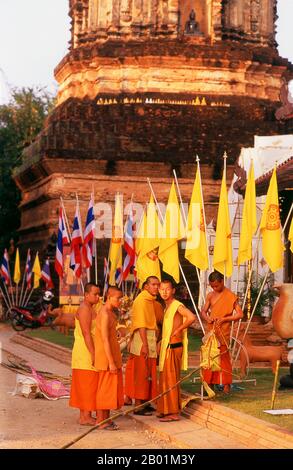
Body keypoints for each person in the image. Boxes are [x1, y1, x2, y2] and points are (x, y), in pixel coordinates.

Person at [156, 280, 195, 422]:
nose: (164, 292)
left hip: (174, 347)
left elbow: (191, 317)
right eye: (161, 289)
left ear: (173, 290)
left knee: (171, 380)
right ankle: (165, 409)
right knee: (165, 380)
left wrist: (179, 329)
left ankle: (173, 412)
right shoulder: (167, 307)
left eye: (167, 289)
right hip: (167, 346)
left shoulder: (177, 305)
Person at [200, 271, 243, 393]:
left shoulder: (230, 296)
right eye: (212, 286)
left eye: (216, 286)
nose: (214, 288)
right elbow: (203, 311)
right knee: (209, 358)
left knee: (223, 359)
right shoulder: (210, 295)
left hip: (223, 331)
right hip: (211, 331)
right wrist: (207, 317)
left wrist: (225, 318)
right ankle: (209, 384)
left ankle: (226, 385)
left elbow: (240, 314)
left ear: (222, 281)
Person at [124, 276, 160, 415]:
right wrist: (144, 345)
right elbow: (141, 325)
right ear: (146, 286)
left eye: (158, 284)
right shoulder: (141, 301)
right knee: (141, 373)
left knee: (148, 373)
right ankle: (138, 406)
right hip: (142, 340)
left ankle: (144, 402)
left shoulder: (150, 300)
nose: (156, 287)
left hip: (149, 339)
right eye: (153, 284)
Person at [69, 282, 100, 425]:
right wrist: (93, 354)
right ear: (86, 295)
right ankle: (85, 416)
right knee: (87, 383)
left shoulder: (91, 308)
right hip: (85, 351)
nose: (98, 297)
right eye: (95, 294)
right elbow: (87, 333)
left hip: (88, 349)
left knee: (89, 382)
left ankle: (85, 415)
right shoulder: (84, 309)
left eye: (99, 294)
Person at [95, 287, 124, 430]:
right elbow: (105, 339)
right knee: (104, 390)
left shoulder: (111, 313)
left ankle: (105, 419)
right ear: (109, 297)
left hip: (111, 354)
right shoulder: (105, 313)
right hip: (106, 358)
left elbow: (109, 335)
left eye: (121, 298)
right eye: (117, 298)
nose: (120, 301)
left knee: (109, 390)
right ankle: (101, 421)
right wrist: (111, 362)